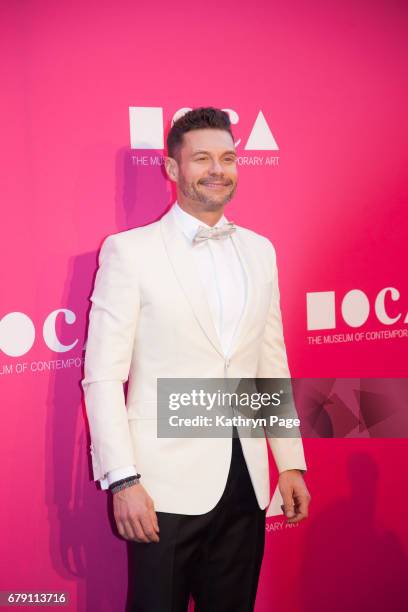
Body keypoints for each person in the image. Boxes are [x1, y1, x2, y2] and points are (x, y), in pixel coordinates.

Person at [82, 106, 311, 611]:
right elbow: (102, 377)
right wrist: (123, 478)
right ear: (172, 168)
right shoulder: (130, 252)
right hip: (161, 487)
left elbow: (270, 364)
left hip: (244, 484)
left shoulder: (259, 251)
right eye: (201, 158)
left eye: (228, 158)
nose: (217, 170)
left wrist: (290, 463)